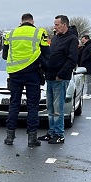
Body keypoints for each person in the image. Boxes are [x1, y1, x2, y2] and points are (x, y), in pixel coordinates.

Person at [2, 13, 48, 146]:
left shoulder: (10, 34)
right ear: (33, 21)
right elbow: (47, 54)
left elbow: (5, 55)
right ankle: (32, 138)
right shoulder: (39, 33)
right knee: (32, 105)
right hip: (33, 73)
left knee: (14, 104)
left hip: (15, 74)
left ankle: (10, 137)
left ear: (21, 22)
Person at [38, 14, 78, 144]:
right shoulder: (55, 38)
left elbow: (72, 59)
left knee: (58, 108)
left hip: (60, 78)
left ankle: (59, 134)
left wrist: (61, 74)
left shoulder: (72, 39)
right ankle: (51, 132)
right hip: (50, 76)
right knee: (50, 107)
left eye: (57, 24)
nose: (54, 27)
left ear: (64, 25)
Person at [79, 35, 91, 99]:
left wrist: (85, 59)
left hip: (88, 65)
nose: (82, 41)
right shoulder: (87, 46)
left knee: (88, 81)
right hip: (86, 65)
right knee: (84, 80)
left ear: (87, 39)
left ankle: (88, 94)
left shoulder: (90, 46)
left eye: (83, 40)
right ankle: (86, 93)